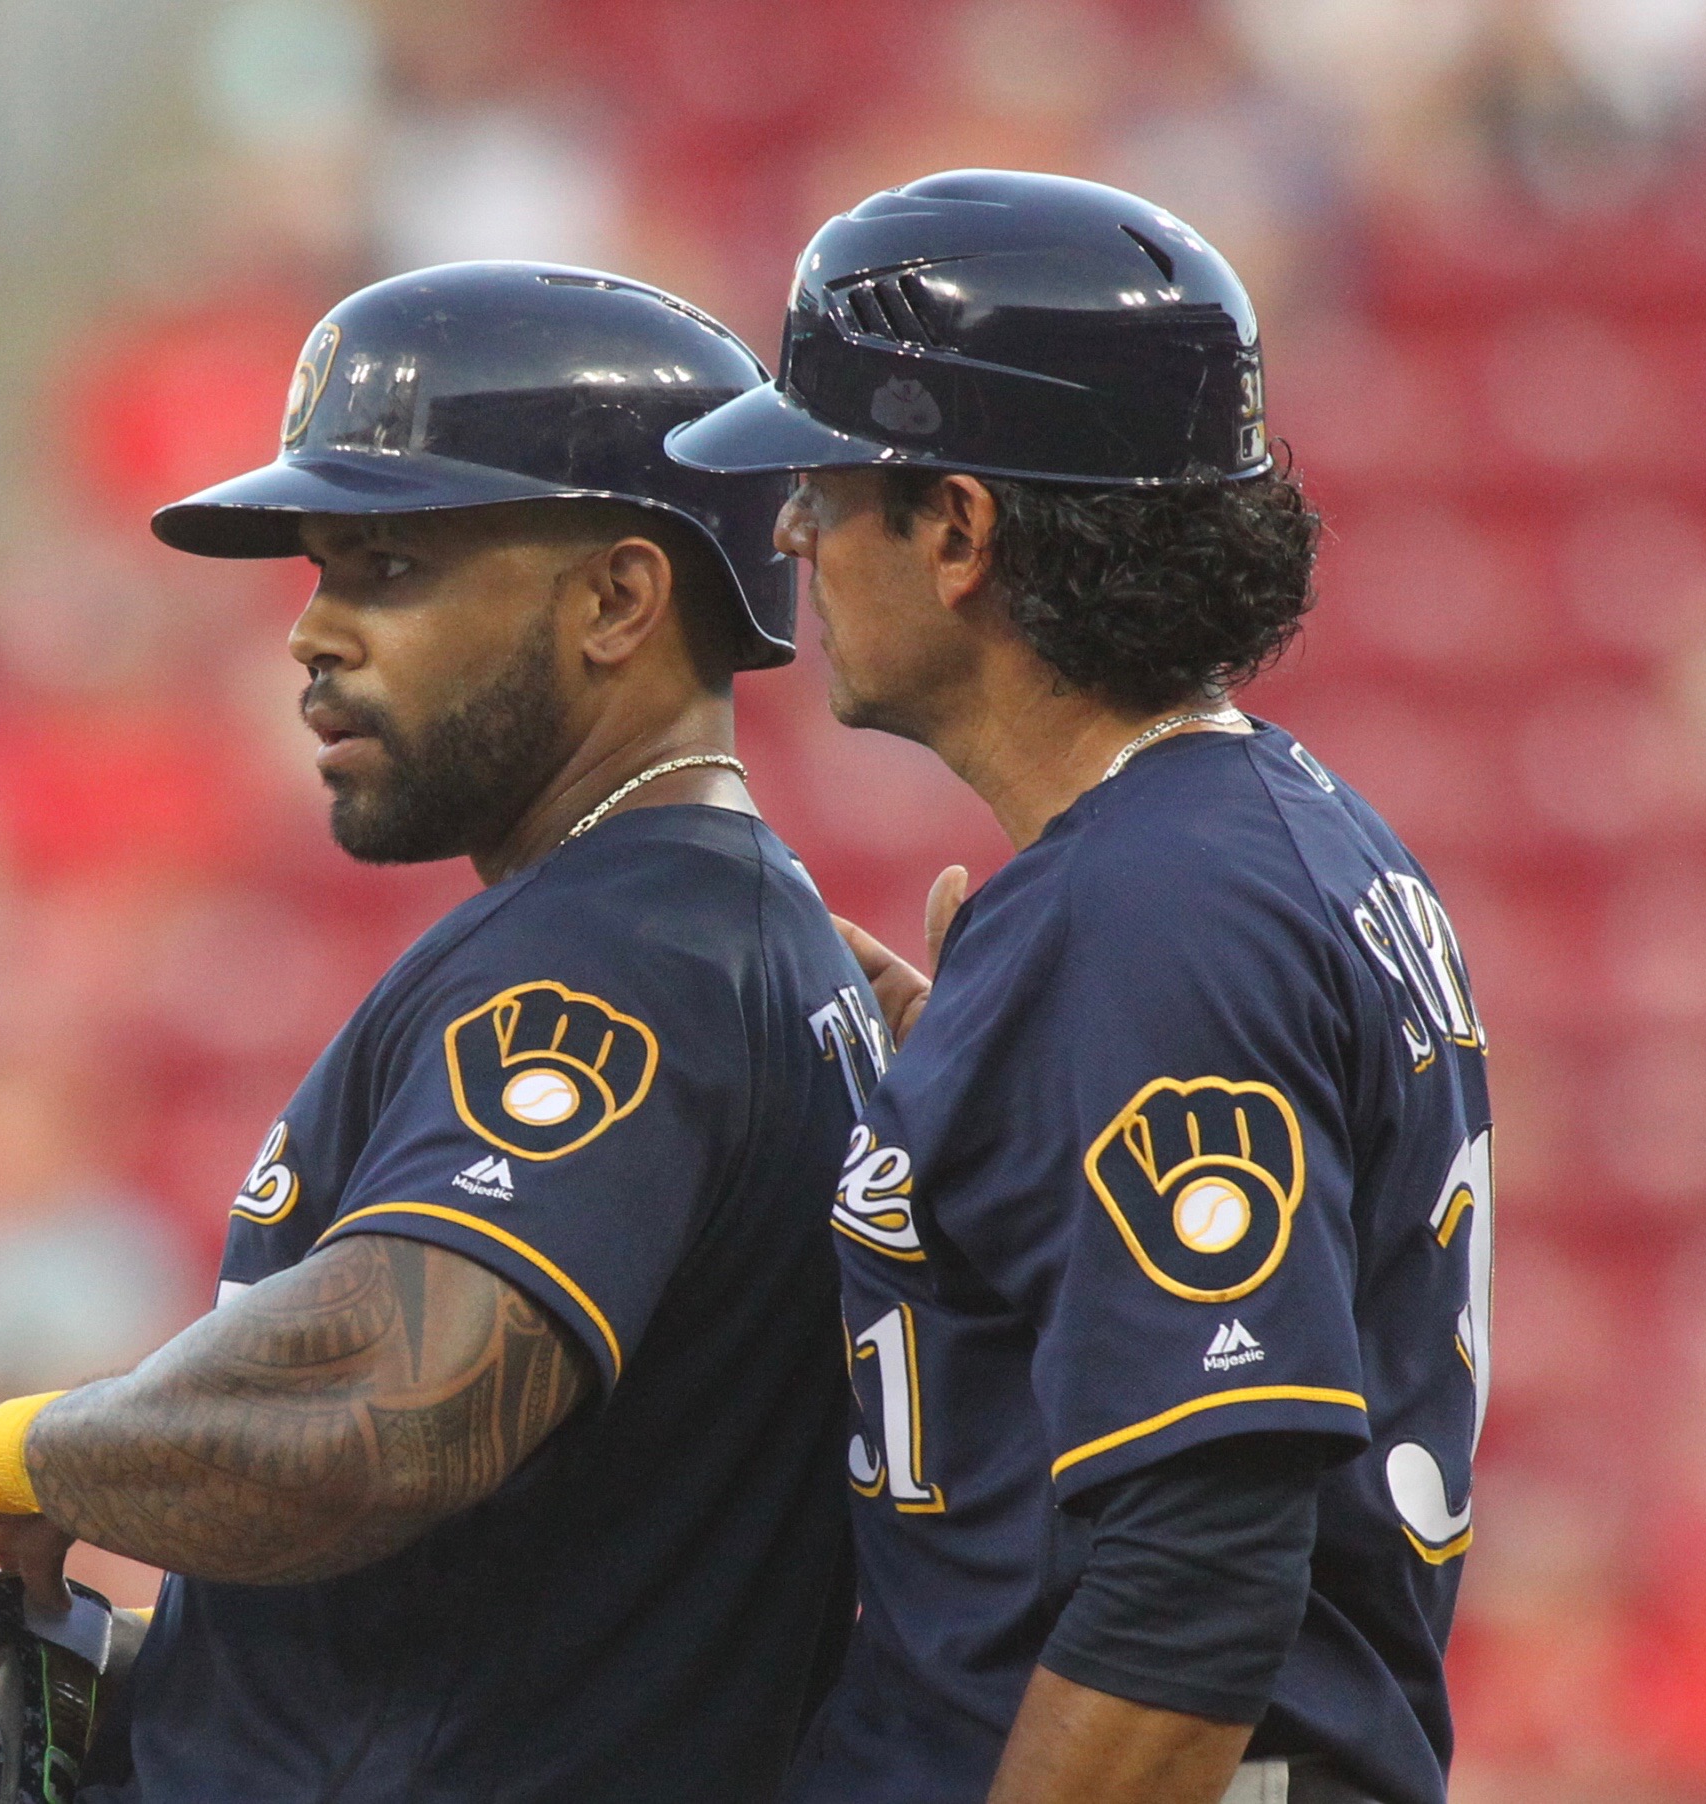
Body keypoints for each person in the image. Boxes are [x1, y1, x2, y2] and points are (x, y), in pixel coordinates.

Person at [0, 261, 874, 1802]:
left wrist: (18, 1453)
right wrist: (165, 1701)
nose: (312, 633)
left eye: (388, 565)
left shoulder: (620, 954)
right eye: (321, 570)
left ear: (617, 598)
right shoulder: (712, 928)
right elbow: (545, 1603)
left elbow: (398, 1404)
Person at [667, 170, 1491, 1804]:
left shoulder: (1158, 915)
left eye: (828, 483)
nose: (789, 529)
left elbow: (1192, 1592)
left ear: (960, 529)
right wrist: (987, 1087)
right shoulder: (1233, 849)